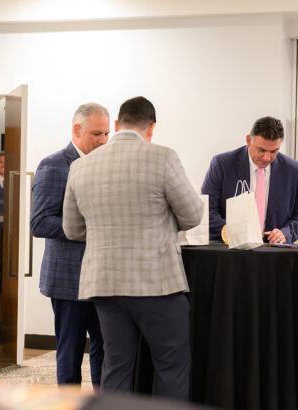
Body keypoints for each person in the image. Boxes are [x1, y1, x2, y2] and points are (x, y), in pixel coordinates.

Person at [62, 96, 203, 400]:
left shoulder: (80, 167)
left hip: (105, 284)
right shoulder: (163, 157)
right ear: (151, 128)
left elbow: (71, 230)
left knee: (116, 365)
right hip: (157, 284)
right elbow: (192, 215)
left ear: (116, 125)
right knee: (171, 365)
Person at [30, 102, 110, 390]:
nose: (103, 141)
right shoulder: (52, 165)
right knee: (71, 353)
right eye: (96, 134)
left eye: (106, 135)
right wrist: (88, 229)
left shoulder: (107, 166)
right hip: (67, 281)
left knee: (106, 350)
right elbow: (39, 223)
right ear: (77, 130)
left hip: (104, 278)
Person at [201, 116, 298, 244]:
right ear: (248, 140)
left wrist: (285, 233)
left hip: (275, 254)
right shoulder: (222, 164)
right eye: (261, 150)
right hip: (230, 252)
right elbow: (205, 211)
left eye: (274, 151)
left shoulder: (294, 170)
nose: (267, 157)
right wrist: (232, 231)